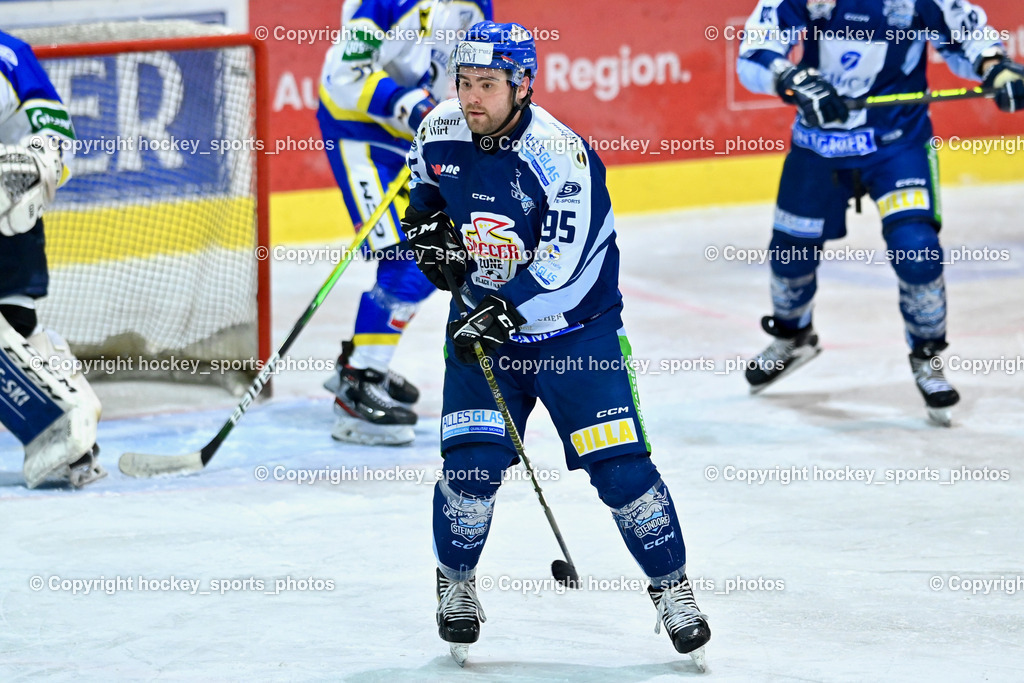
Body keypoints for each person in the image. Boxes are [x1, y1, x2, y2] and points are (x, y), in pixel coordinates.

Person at [402, 21, 711, 668]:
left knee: (624, 473)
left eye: (488, 84)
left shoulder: (561, 156)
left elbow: (559, 265)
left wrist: (498, 307)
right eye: (463, 82)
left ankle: (673, 588)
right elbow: (424, 185)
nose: (471, 98)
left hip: (576, 337)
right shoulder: (439, 129)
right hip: (488, 338)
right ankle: (455, 578)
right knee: (470, 470)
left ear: (523, 85)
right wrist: (424, 226)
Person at [737, 0, 1024, 425]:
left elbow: (966, 33)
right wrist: (793, 78)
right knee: (790, 254)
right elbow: (753, 53)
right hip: (819, 145)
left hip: (897, 144)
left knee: (917, 250)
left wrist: (994, 65)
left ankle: (928, 355)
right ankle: (793, 334)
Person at [317, 0, 492, 445]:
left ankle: (359, 361)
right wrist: (412, 107)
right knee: (410, 258)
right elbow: (343, 78)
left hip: (412, 133)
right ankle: (359, 385)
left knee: (436, 248)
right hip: (358, 131)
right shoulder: (385, 4)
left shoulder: (476, 5)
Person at [0, 29, 105, 488]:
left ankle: (66, 430)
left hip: (6, 217)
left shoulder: (9, 54)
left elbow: (57, 133)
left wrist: (36, 163)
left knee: (15, 322)